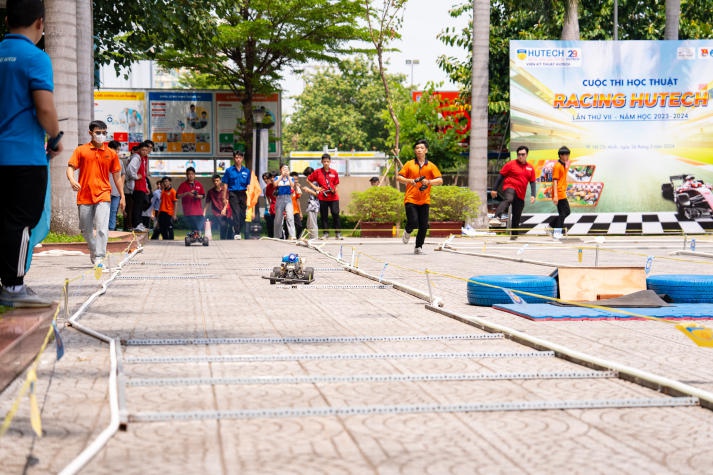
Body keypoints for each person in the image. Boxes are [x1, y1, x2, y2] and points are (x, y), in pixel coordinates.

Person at [0, 0, 64, 307]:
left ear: (8, 19)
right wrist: (55, 135)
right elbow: (44, 107)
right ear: (40, 23)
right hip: (23, 157)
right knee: (21, 221)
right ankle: (13, 288)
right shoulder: (36, 58)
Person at [66, 120, 125, 267]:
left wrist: (122, 196)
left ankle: (99, 257)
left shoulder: (111, 153)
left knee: (102, 228)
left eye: (104, 133)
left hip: (104, 194)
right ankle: (94, 252)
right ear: (90, 133)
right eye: (98, 132)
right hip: (84, 195)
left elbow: (117, 177)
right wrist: (72, 180)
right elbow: (70, 167)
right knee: (85, 230)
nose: (101, 135)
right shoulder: (81, 151)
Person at [396, 139, 443, 255]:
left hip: (425, 199)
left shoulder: (431, 166)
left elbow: (440, 180)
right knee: (413, 221)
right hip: (410, 198)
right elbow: (399, 177)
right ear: (415, 150)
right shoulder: (409, 164)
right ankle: (407, 230)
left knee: (424, 225)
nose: (419, 150)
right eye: (417, 148)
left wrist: (429, 182)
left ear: (426, 150)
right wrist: (409, 180)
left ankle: (418, 247)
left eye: (421, 148)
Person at [489, 145, 537, 238]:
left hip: (521, 193)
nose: (520, 156)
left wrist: (533, 195)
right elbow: (501, 176)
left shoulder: (530, 168)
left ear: (527, 155)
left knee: (517, 214)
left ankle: (514, 235)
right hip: (510, 187)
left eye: (523, 154)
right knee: (509, 199)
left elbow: (532, 182)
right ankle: (496, 217)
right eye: (519, 154)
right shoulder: (510, 164)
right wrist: (494, 189)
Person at [307, 153, 342, 239]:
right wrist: (316, 187)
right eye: (324, 161)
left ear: (330, 162)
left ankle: (338, 233)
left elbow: (336, 183)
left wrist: (335, 189)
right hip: (323, 197)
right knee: (324, 215)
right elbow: (308, 180)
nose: (326, 163)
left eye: (327, 161)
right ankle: (326, 233)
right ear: (322, 162)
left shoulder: (334, 172)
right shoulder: (317, 172)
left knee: (335, 213)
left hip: (333, 197)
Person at [222, 150, 251, 240]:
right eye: (236, 157)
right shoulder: (229, 170)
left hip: (243, 193)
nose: (238, 159)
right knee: (236, 212)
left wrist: (249, 196)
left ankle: (235, 227)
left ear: (242, 159)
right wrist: (224, 197)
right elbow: (225, 184)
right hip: (233, 193)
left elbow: (248, 185)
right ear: (234, 158)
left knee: (243, 215)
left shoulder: (246, 171)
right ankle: (237, 232)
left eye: (239, 157)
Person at [126, 141, 151, 231]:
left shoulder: (144, 158)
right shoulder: (137, 158)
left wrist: (146, 186)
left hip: (142, 186)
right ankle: (136, 224)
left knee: (140, 206)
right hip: (137, 186)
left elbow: (144, 174)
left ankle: (139, 223)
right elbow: (129, 169)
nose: (145, 151)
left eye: (146, 150)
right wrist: (135, 177)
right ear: (139, 149)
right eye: (143, 150)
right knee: (137, 206)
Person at [176, 166, 206, 233]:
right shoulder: (183, 185)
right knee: (194, 227)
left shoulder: (199, 184)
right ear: (186, 175)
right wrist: (187, 193)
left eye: (192, 174)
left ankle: (197, 237)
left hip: (198, 211)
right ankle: (194, 237)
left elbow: (203, 196)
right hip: (188, 211)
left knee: (198, 227)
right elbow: (177, 196)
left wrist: (197, 196)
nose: (190, 175)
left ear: (194, 175)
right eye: (189, 174)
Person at [551, 146, 572, 239]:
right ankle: (556, 232)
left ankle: (551, 226)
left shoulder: (563, 164)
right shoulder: (557, 166)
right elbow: (555, 181)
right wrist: (555, 196)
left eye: (568, 154)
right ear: (561, 155)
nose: (567, 156)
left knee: (566, 212)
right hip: (558, 193)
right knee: (563, 213)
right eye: (566, 155)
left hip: (562, 191)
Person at [205, 174, 233, 240]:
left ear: (220, 181)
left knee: (231, 225)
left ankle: (229, 239)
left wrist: (224, 209)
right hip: (217, 212)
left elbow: (227, 200)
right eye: (214, 181)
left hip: (227, 211)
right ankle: (222, 240)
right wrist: (204, 212)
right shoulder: (210, 192)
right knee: (223, 225)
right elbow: (207, 202)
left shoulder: (225, 190)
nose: (216, 182)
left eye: (217, 181)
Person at [273, 164, 296, 239]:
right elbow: (275, 184)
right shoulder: (277, 177)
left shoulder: (291, 178)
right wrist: (281, 176)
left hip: (288, 198)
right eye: (284, 169)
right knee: (278, 218)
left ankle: (292, 235)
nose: (285, 171)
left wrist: (288, 176)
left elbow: (292, 185)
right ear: (280, 170)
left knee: (290, 216)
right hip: (280, 198)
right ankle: (277, 235)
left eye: (287, 169)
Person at [107, 140, 125, 231]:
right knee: (105, 212)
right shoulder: (104, 160)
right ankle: (104, 230)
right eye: (115, 149)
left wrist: (121, 190)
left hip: (116, 192)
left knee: (113, 212)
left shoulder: (120, 162)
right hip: (106, 191)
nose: (117, 152)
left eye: (118, 150)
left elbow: (122, 175)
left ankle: (111, 229)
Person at [122, 144, 140, 230]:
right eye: (136, 151)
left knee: (130, 208)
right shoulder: (130, 160)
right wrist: (136, 177)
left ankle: (128, 225)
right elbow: (128, 172)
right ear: (132, 151)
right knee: (129, 208)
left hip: (130, 187)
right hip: (127, 188)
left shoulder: (132, 159)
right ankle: (128, 226)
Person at [302, 167, 320, 240]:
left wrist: (308, 190)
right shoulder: (313, 182)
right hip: (311, 205)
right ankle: (311, 237)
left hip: (314, 205)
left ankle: (314, 238)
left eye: (308, 175)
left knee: (312, 223)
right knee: (310, 223)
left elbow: (318, 194)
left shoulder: (316, 182)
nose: (307, 177)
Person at [290, 171, 303, 238]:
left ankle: (298, 238)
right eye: (293, 179)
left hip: (296, 211)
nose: (295, 181)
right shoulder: (287, 188)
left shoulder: (297, 189)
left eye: (296, 179)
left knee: (299, 226)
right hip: (288, 211)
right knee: (288, 227)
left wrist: (300, 212)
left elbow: (298, 200)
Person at [263, 171, 276, 238]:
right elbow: (266, 200)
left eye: (267, 179)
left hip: (275, 208)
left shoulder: (275, 186)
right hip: (268, 209)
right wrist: (265, 211)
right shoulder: (265, 189)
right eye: (264, 179)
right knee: (269, 227)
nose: (266, 180)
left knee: (275, 225)